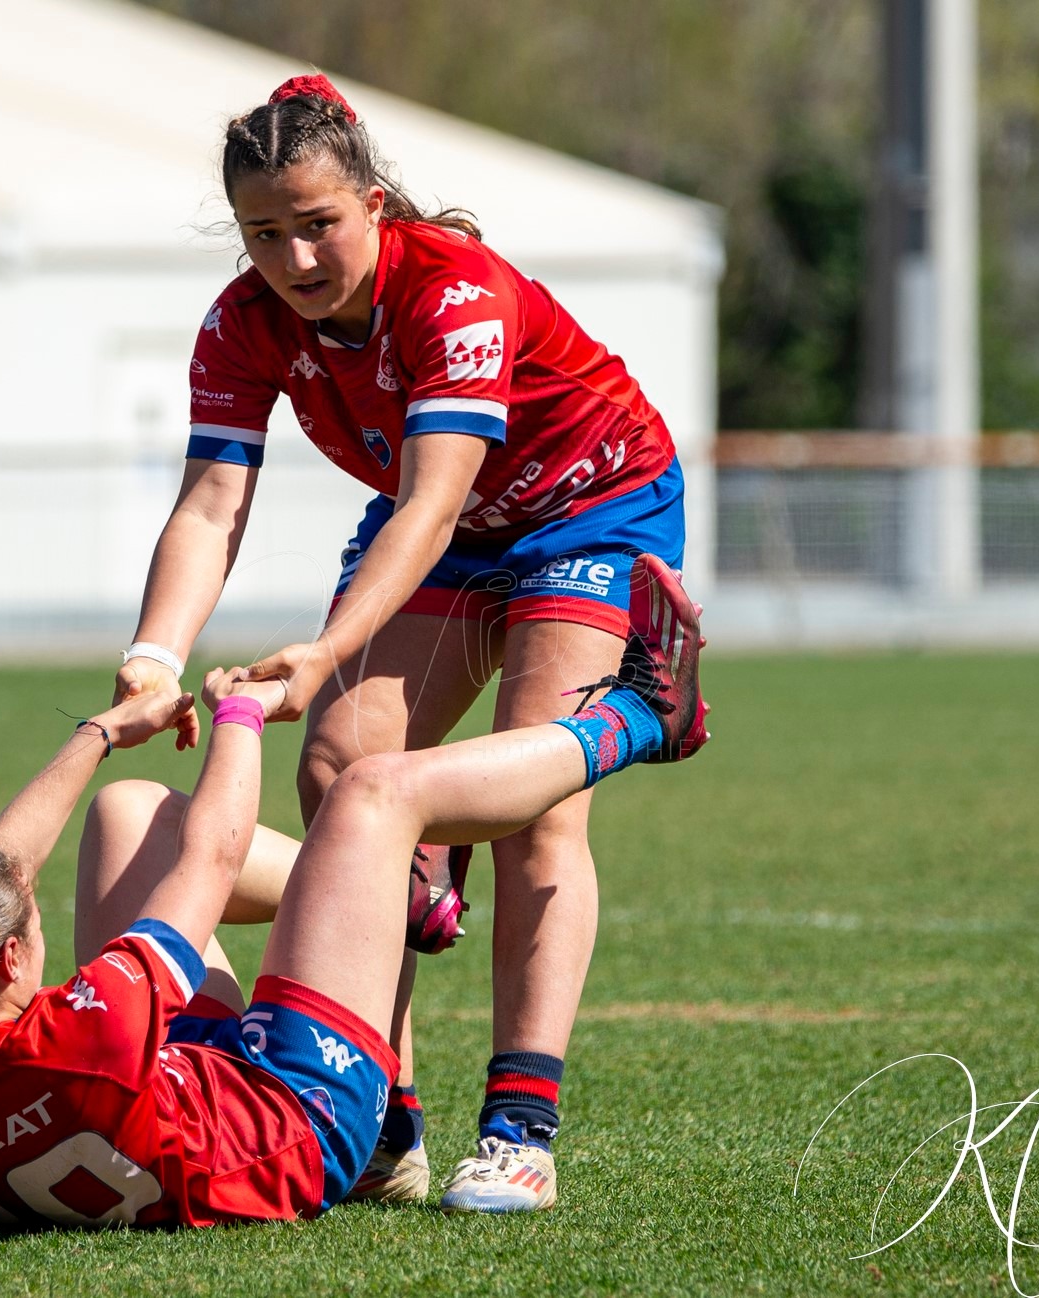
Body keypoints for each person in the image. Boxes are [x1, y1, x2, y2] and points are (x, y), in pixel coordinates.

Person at [115, 73, 690, 1211]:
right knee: (342, 773)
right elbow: (209, 501)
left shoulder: (456, 290)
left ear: (374, 203)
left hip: (587, 504)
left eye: (318, 223)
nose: (296, 259)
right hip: (455, 525)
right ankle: (387, 1121)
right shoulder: (242, 323)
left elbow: (429, 504)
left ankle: (521, 1127)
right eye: (263, 233)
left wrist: (326, 649)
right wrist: (155, 656)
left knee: (538, 797)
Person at [0, 556, 709, 1238]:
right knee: (373, 796)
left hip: (169, 1102)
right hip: (299, 1116)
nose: (33, 905)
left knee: (126, 812)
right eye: (27, 920)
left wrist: (104, 734)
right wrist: (242, 715)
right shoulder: (85, 1028)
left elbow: (0, 873)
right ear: (5, 958)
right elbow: (213, 860)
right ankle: (640, 720)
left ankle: (375, 888)